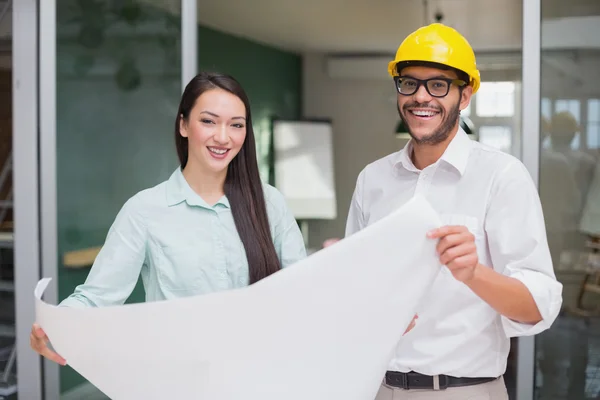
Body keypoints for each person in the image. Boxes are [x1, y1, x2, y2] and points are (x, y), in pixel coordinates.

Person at [344, 23, 563, 399]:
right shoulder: (373, 179)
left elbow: (538, 308)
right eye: (409, 83)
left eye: (438, 85)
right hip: (378, 388)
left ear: (466, 95)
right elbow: (355, 295)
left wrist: (474, 273)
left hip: (465, 391)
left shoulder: (502, 176)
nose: (421, 97)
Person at [30, 72, 308, 365]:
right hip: (179, 380)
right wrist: (54, 326)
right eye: (209, 121)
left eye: (236, 125)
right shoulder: (144, 211)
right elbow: (97, 296)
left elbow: (303, 287)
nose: (223, 137)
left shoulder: (269, 203)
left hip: (259, 374)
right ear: (184, 125)